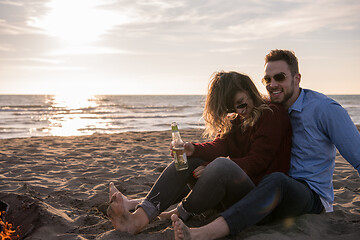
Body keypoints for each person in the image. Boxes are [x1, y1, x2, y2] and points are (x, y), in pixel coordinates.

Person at [172, 49, 360, 240]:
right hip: (268, 195)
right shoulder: (267, 110)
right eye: (267, 80)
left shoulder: (325, 109)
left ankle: (204, 233)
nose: (272, 85)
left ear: (297, 78)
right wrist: (195, 148)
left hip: (309, 195)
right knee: (197, 163)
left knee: (276, 180)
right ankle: (154, 209)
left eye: (279, 77)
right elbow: (226, 142)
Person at [107, 71, 292, 234]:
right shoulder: (236, 118)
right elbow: (220, 145)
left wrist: (213, 167)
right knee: (188, 160)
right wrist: (193, 148)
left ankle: (178, 212)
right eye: (231, 109)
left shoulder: (273, 114)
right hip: (231, 196)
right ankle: (137, 218)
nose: (239, 112)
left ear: (251, 92)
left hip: (260, 201)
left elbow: (258, 161)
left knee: (221, 165)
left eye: (241, 104)